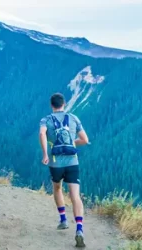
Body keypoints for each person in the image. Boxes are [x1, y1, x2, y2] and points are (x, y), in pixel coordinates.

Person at [39, 93, 89, 248]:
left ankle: (63, 220)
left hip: (56, 163)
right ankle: (79, 229)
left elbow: (42, 133)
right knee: (75, 195)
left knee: (57, 188)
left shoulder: (46, 120)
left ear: (51, 105)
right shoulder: (74, 118)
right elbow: (85, 140)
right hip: (72, 162)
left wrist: (46, 153)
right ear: (64, 104)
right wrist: (71, 143)